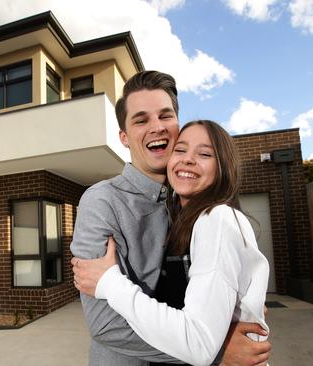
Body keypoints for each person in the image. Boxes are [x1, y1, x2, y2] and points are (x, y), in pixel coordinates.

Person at [70, 71, 271, 366]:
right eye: (141, 120)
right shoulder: (102, 201)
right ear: (124, 138)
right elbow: (105, 324)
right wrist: (218, 350)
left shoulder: (195, 206)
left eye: (166, 116)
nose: (157, 127)